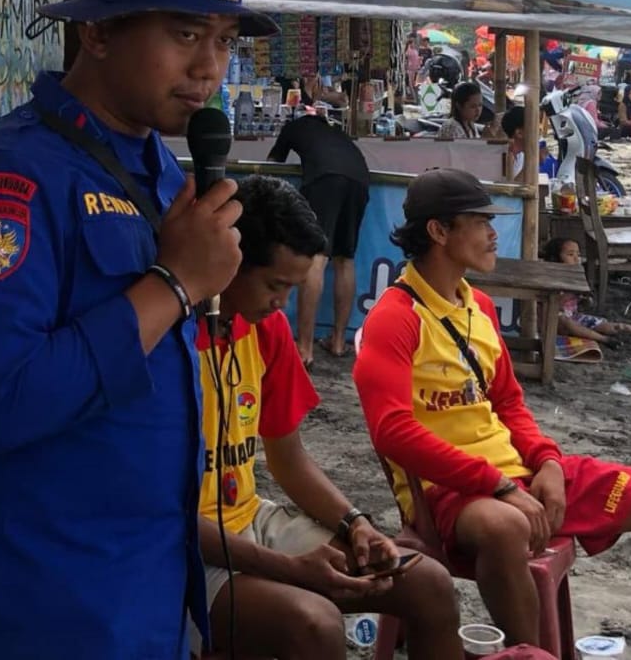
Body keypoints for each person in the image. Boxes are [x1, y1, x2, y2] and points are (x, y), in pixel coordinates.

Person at [0, 0, 270, 660]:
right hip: (41, 605)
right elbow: (3, 401)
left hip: (144, 588)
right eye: (185, 34)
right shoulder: (8, 178)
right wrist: (174, 283)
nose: (209, 67)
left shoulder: (159, 172)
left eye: (224, 39)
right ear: (99, 33)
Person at [352, 169, 631, 650]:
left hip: (514, 474)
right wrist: (496, 485)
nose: (493, 233)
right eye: (480, 222)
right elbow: (392, 431)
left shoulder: (478, 305)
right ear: (438, 231)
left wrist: (548, 461)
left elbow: (508, 403)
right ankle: (530, 653)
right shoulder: (395, 317)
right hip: (449, 492)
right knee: (507, 526)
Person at [192, 175, 464, 660]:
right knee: (314, 623)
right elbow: (163, 516)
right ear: (229, 260)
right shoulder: (169, 340)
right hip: (180, 552)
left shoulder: (267, 330)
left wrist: (355, 524)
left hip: (250, 520)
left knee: (429, 584)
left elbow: (289, 461)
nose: (282, 304)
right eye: (275, 285)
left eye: (292, 289)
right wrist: (289, 570)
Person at [268, 113, 370, 364]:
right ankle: (338, 342)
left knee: (316, 257)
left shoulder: (293, 127)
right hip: (360, 179)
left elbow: (271, 166)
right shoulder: (336, 133)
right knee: (345, 258)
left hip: (325, 178)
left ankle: (304, 348)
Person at [540, 237, 631, 362]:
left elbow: (579, 304)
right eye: (570, 255)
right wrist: (570, 294)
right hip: (554, 320)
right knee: (567, 322)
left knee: (605, 325)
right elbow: (553, 304)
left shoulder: (576, 275)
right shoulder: (552, 277)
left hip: (574, 316)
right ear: (555, 258)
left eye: (578, 254)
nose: (576, 259)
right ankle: (604, 339)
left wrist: (585, 299)